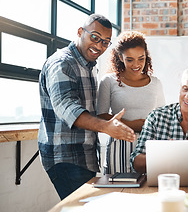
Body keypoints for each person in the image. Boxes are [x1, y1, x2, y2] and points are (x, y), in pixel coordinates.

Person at [38, 14, 136, 200]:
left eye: (105, 42)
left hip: (85, 155)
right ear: (80, 32)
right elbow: (67, 107)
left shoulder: (89, 66)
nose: (99, 46)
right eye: (95, 37)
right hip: (65, 156)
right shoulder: (63, 63)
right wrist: (106, 126)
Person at [97, 30, 165, 174]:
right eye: (130, 59)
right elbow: (101, 116)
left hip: (148, 147)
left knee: (148, 191)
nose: (137, 64)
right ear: (120, 57)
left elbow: (162, 118)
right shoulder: (109, 81)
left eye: (141, 58)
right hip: (119, 145)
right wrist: (136, 125)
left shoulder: (155, 83)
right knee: (118, 190)